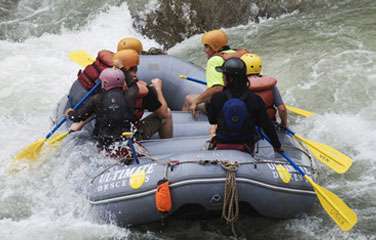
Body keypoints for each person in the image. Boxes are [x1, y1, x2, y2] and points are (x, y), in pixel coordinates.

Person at [206, 57, 282, 153]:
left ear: (230, 78)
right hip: (246, 145)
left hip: (222, 143)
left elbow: (212, 120)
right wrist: (277, 146)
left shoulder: (217, 98)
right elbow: (266, 125)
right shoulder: (255, 99)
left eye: (223, 75)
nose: (222, 77)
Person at [65, 68, 133, 160]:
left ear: (104, 83)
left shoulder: (97, 99)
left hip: (104, 144)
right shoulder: (129, 97)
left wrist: (69, 112)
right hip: (125, 140)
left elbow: (77, 117)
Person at [182, 29, 249, 117]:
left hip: (225, 104)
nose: (204, 50)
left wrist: (196, 101)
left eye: (206, 46)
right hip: (244, 99)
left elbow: (217, 88)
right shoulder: (237, 53)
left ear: (214, 47)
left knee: (189, 99)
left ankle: (186, 127)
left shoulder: (214, 60)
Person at [112, 49, 173, 140]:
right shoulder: (143, 91)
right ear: (135, 68)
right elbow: (163, 113)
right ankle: (167, 145)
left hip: (106, 136)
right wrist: (158, 89)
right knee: (167, 114)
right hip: (128, 137)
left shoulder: (105, 82)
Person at [68, 37, 144, 108]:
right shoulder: (115, 73)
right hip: (82, 100)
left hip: (74, 89)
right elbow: (128, 91)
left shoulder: (106, 57)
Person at [241, 53, 288, 128]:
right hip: (270, 123)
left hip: (250, 127)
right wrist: (284, 124)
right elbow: (282, 109)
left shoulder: (240, 86)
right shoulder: (270, 84)